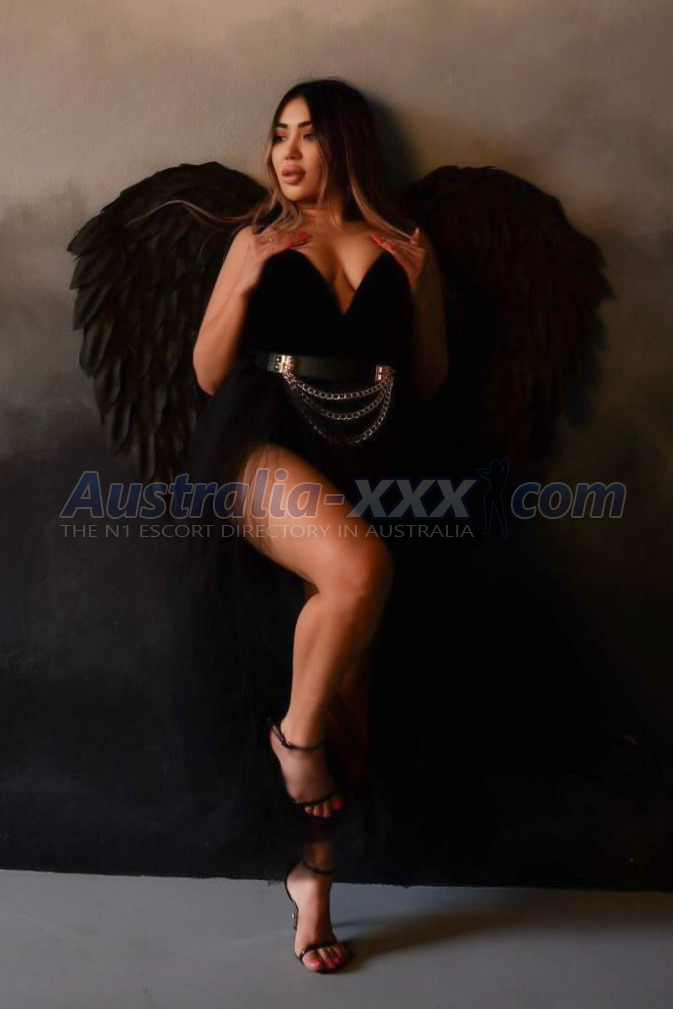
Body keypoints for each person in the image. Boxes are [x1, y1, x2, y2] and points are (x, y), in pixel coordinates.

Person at [180, 77, 448, 974]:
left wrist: (422, 289)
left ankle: (313, 885)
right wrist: (245, 278)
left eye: (306, 134)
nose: (286, 152)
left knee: (352, 682)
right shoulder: (256, 237)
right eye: (278, 134)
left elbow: (430, 376)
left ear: (345, 143)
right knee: (359, 571)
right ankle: (293, 742)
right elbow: (207, 371)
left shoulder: (402, 244)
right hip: (260, 439)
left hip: (372, 447)